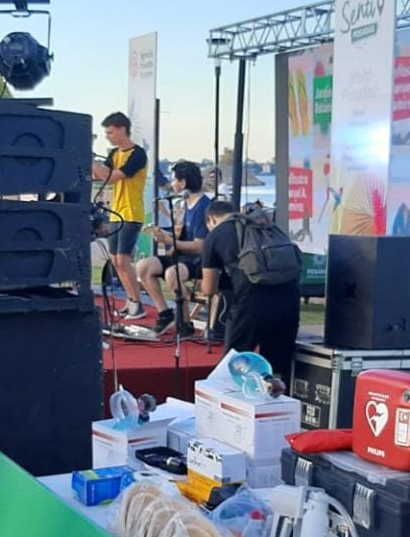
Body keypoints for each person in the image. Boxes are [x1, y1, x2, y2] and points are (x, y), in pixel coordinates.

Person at [199, 200, 301, 377]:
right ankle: (275, 402)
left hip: (252, 304)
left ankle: (237, 402)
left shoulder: (215, 235)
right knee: (276, 371)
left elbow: (208, 289)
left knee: (233, 367)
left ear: (211, 220)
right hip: (289, 300)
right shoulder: (265, 226)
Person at [138, 160, 212, 336]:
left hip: (199, 259)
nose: (171, 184)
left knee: (173, 273)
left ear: (183, 183)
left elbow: (200, 246)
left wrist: (170, 241)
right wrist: (166, 238)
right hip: (182, 255)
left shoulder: (204, 207)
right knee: (144, 267)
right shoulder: (185, 204)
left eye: (174, 180)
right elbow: (181, 235)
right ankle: (165, 314)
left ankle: (185, 323)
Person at [92, 112, 149, 320]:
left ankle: (137, 303)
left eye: (110, 132)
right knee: (116, 261)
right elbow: (101, 175)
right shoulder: (114, 153)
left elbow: (114, 177)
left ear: (122, 129)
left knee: (123, 259)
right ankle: (132, 300)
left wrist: (91, 161)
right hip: (116, 212)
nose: (108, 136)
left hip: (131, 213)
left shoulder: (138, 154)